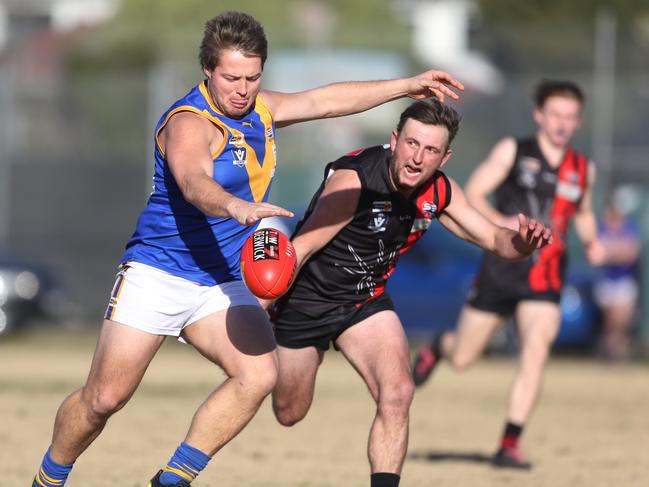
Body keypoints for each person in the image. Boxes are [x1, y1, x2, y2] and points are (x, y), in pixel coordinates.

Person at [31, 11, 465, 487]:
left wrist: (407, 85)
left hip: (219, 280)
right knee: (104, 400)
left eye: (253, 77)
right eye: (231, 77)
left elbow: (325, 100)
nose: (242, 88)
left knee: (258, 376)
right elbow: (194, 182)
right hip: (159, 273)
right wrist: (235, 207)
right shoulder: (188, 122)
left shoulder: (261, 109)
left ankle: (172, 480)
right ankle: (49, 479)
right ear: (207, 72)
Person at [268, 98, 553, 487]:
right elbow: (299, 251)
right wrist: (262, 306)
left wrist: (523, 242)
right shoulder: (356, 181)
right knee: (289, 411)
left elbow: (492, 238)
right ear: (395, 139)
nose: (418, 158)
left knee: (399, 391)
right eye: (412, 144)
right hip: (307, 300)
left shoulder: (439, 191)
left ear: (445, 156)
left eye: (431, 150)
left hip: (365, 301)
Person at [412, 80, 605, 470]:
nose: (561, 124)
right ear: (540, 115)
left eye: (569, 117)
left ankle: (509, 444)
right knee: (464, 357)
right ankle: (439, 346)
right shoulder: (513, 151)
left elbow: (582, 212)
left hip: (547, 278)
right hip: (502, 268)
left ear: (577, 121)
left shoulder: (583, 170)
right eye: (555, 115)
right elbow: (476, 193)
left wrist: (593, 240)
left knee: (535, 352)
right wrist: (503, 226)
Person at [593, 189, 641, 360]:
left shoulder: (629, 226)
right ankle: (609, 353)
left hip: (625, 281)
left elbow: (631, 253)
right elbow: (598, 253)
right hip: (607, 281)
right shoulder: (601, 226)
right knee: (610, 323)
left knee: (620, 323)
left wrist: (611, 251)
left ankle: (615, 353)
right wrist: (617, 250)